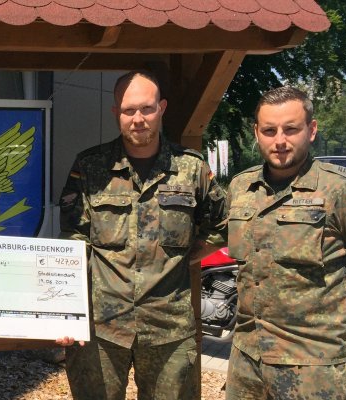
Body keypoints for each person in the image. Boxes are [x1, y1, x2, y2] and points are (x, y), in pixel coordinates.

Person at [56, 70, 227, 399]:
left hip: (169, 330)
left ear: (161, 108)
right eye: (128, 110)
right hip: (102, 329)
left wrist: (190, 255)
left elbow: (222, 224)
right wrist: (66, 311)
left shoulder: (191, 168)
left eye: (147, 108)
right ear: (115, 112)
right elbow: (74, 241)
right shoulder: (90, 166)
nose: (138, 119)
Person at [224, 86, 346, 398]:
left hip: (316, 368)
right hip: (248, 363)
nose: (280, 140)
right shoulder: (242, 188)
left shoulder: (344, 189)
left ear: (311, 130)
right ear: (256, 133)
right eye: (269, 130)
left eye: (291, 129)